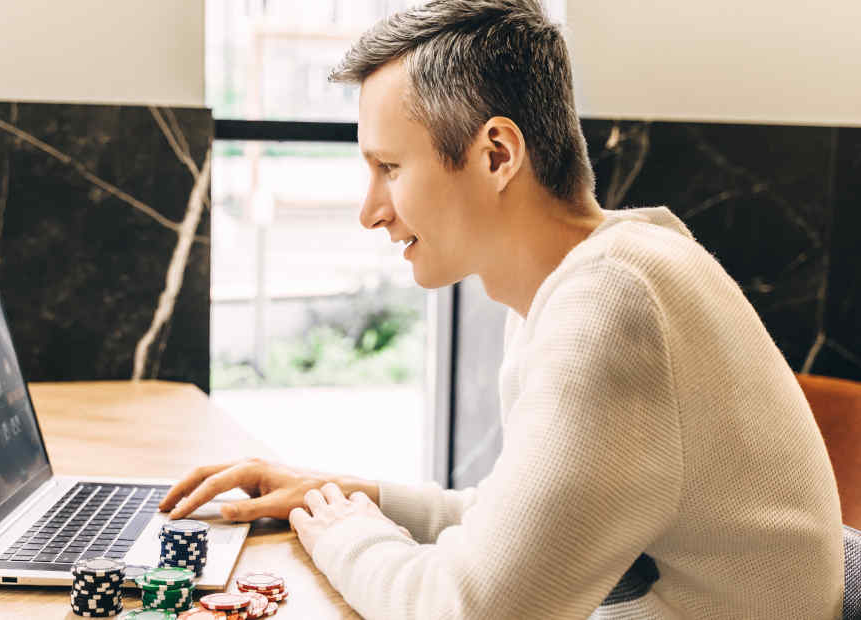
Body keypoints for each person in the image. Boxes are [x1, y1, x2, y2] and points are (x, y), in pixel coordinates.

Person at [160, 0, 845, 617]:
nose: (369, 212)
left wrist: (340, 530)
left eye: (389, 169)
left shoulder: (611, 307)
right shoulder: (603, 275)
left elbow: (470, 611)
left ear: (496, 155)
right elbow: (518, 526)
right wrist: (341, 494)